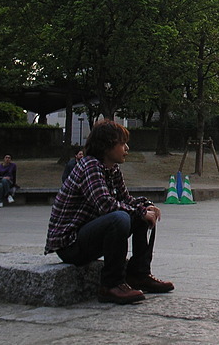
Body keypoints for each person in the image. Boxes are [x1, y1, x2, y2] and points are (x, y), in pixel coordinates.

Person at [44, 119, 174, 305]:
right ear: (106, 146)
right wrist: (139, 211)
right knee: (119, 218)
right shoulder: (90, 166)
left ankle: (139, 274)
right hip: (70, 244)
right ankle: (111, 284)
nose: (127, 148)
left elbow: (126, 199)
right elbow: (105, 205)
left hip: (88, 235)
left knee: (141, 215)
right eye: (122, 143)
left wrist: (146, 207)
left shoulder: (112, 169)